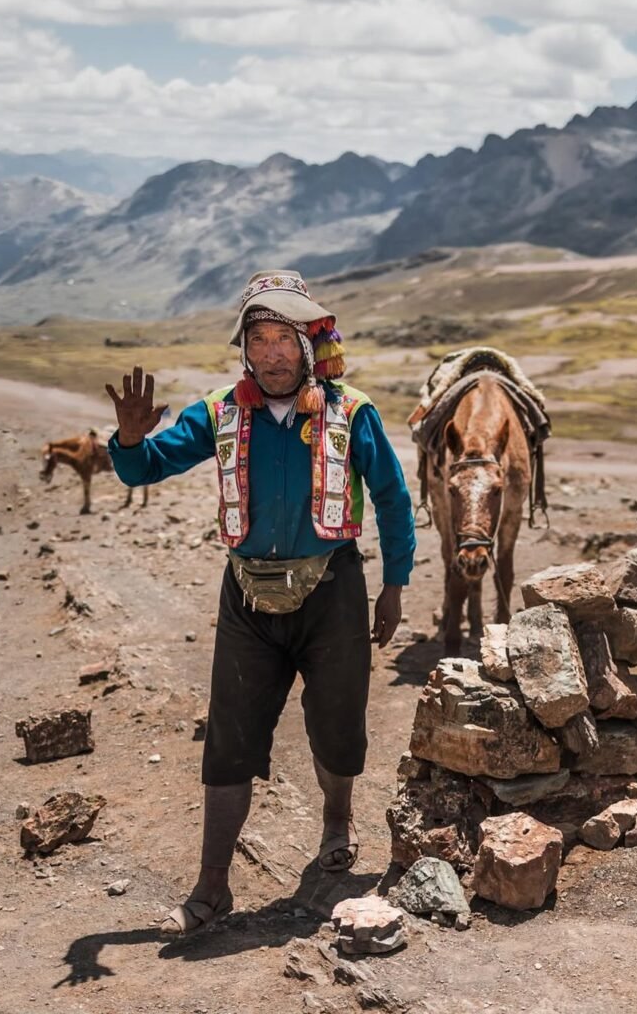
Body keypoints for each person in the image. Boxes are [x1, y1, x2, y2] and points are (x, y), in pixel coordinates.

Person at [105, 269, 415, 939]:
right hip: (246, 595)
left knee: (337, 723)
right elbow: (145, 468)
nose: (272, 352)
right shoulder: (218, 411)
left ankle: (336, 820)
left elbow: (391, 497)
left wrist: (393, 584)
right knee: (230, 736)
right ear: (243, 349)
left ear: (309, 345)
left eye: (285, 338)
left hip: (332, 588)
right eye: (259, 338)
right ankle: (211, 888)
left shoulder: (350, 412)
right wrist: (129, 441)